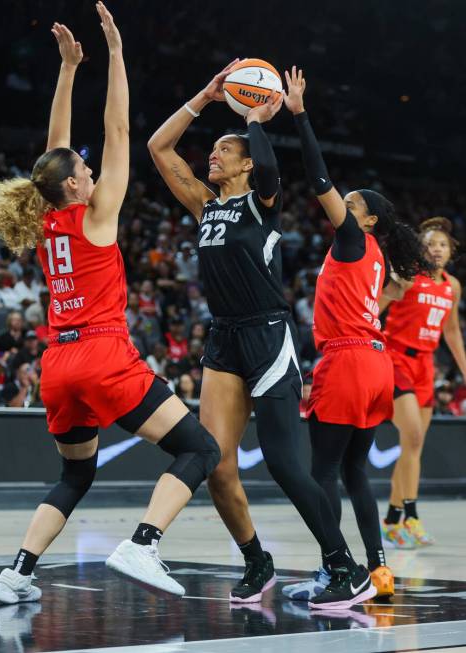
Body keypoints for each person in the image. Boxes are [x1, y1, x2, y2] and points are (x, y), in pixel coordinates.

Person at [0, 3, 220, 604]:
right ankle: (143, 540)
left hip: (58, 364)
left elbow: (53, 151)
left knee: (76, 473)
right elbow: (118, 131)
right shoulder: (97, 213)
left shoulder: (46, 213)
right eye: (84, 168)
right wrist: (115, 53)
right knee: (200, 448)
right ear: (79, 185)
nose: (90, 166)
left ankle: (18, 573)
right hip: (104, 356)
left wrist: (66, 70)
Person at [148, 61, 374, 608]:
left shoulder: (260, 201)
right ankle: (257, 560)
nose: (214, 155)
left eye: (225, 151)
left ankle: (345, 566)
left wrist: (253, 119)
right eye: (215, 150)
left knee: (283, 462)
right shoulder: (205, 205)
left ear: (245, 163)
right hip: (224, 338)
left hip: (269, 337)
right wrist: (204, 97)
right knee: (215, 461)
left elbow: (270, 166)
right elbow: (158, 148)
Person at [279, 68, 432, 605]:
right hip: (377, 365)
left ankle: (337, 573)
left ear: (363, 218)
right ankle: (379, 570)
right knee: (355, 472)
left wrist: (299, 115)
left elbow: (317, 176)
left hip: (345, 362)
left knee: (321, 472)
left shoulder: (350, 238)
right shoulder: (375, 254)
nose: (341, 203)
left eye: (351, 202)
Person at [381, 217, 466, 546]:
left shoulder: (452, 286)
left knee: (412, 446)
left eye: (443, 245)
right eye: (431, 244)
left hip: (425, 366)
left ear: (450, 251)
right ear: (421, 248)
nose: (437, 249)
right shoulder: (405, 277)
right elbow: (372, 309)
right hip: (396, 358)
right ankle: (412, 517)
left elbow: (452, 332)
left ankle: (392, 520)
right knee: (413, 436)